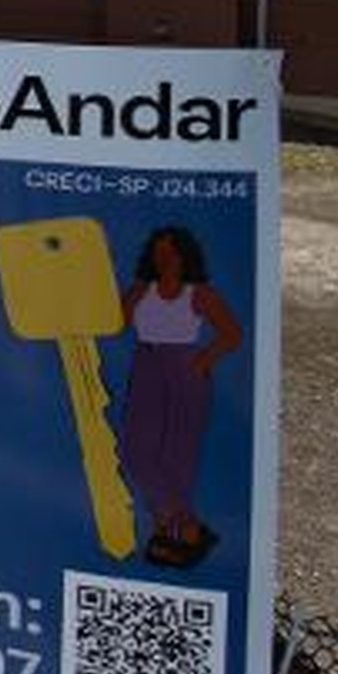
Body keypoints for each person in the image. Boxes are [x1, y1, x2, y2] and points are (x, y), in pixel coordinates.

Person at [119, 224, 241, 568]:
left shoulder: (198, 293)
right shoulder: (143, 289)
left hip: (184, 369)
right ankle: (189, 527)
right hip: (146, 365)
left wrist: (203, 360)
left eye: (170, 252)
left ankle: (169, 534)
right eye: (158, 252)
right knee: (136, 451)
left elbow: (232, 334)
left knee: (176, 454)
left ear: (185, 255)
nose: (163, 258)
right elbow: (116, 322)